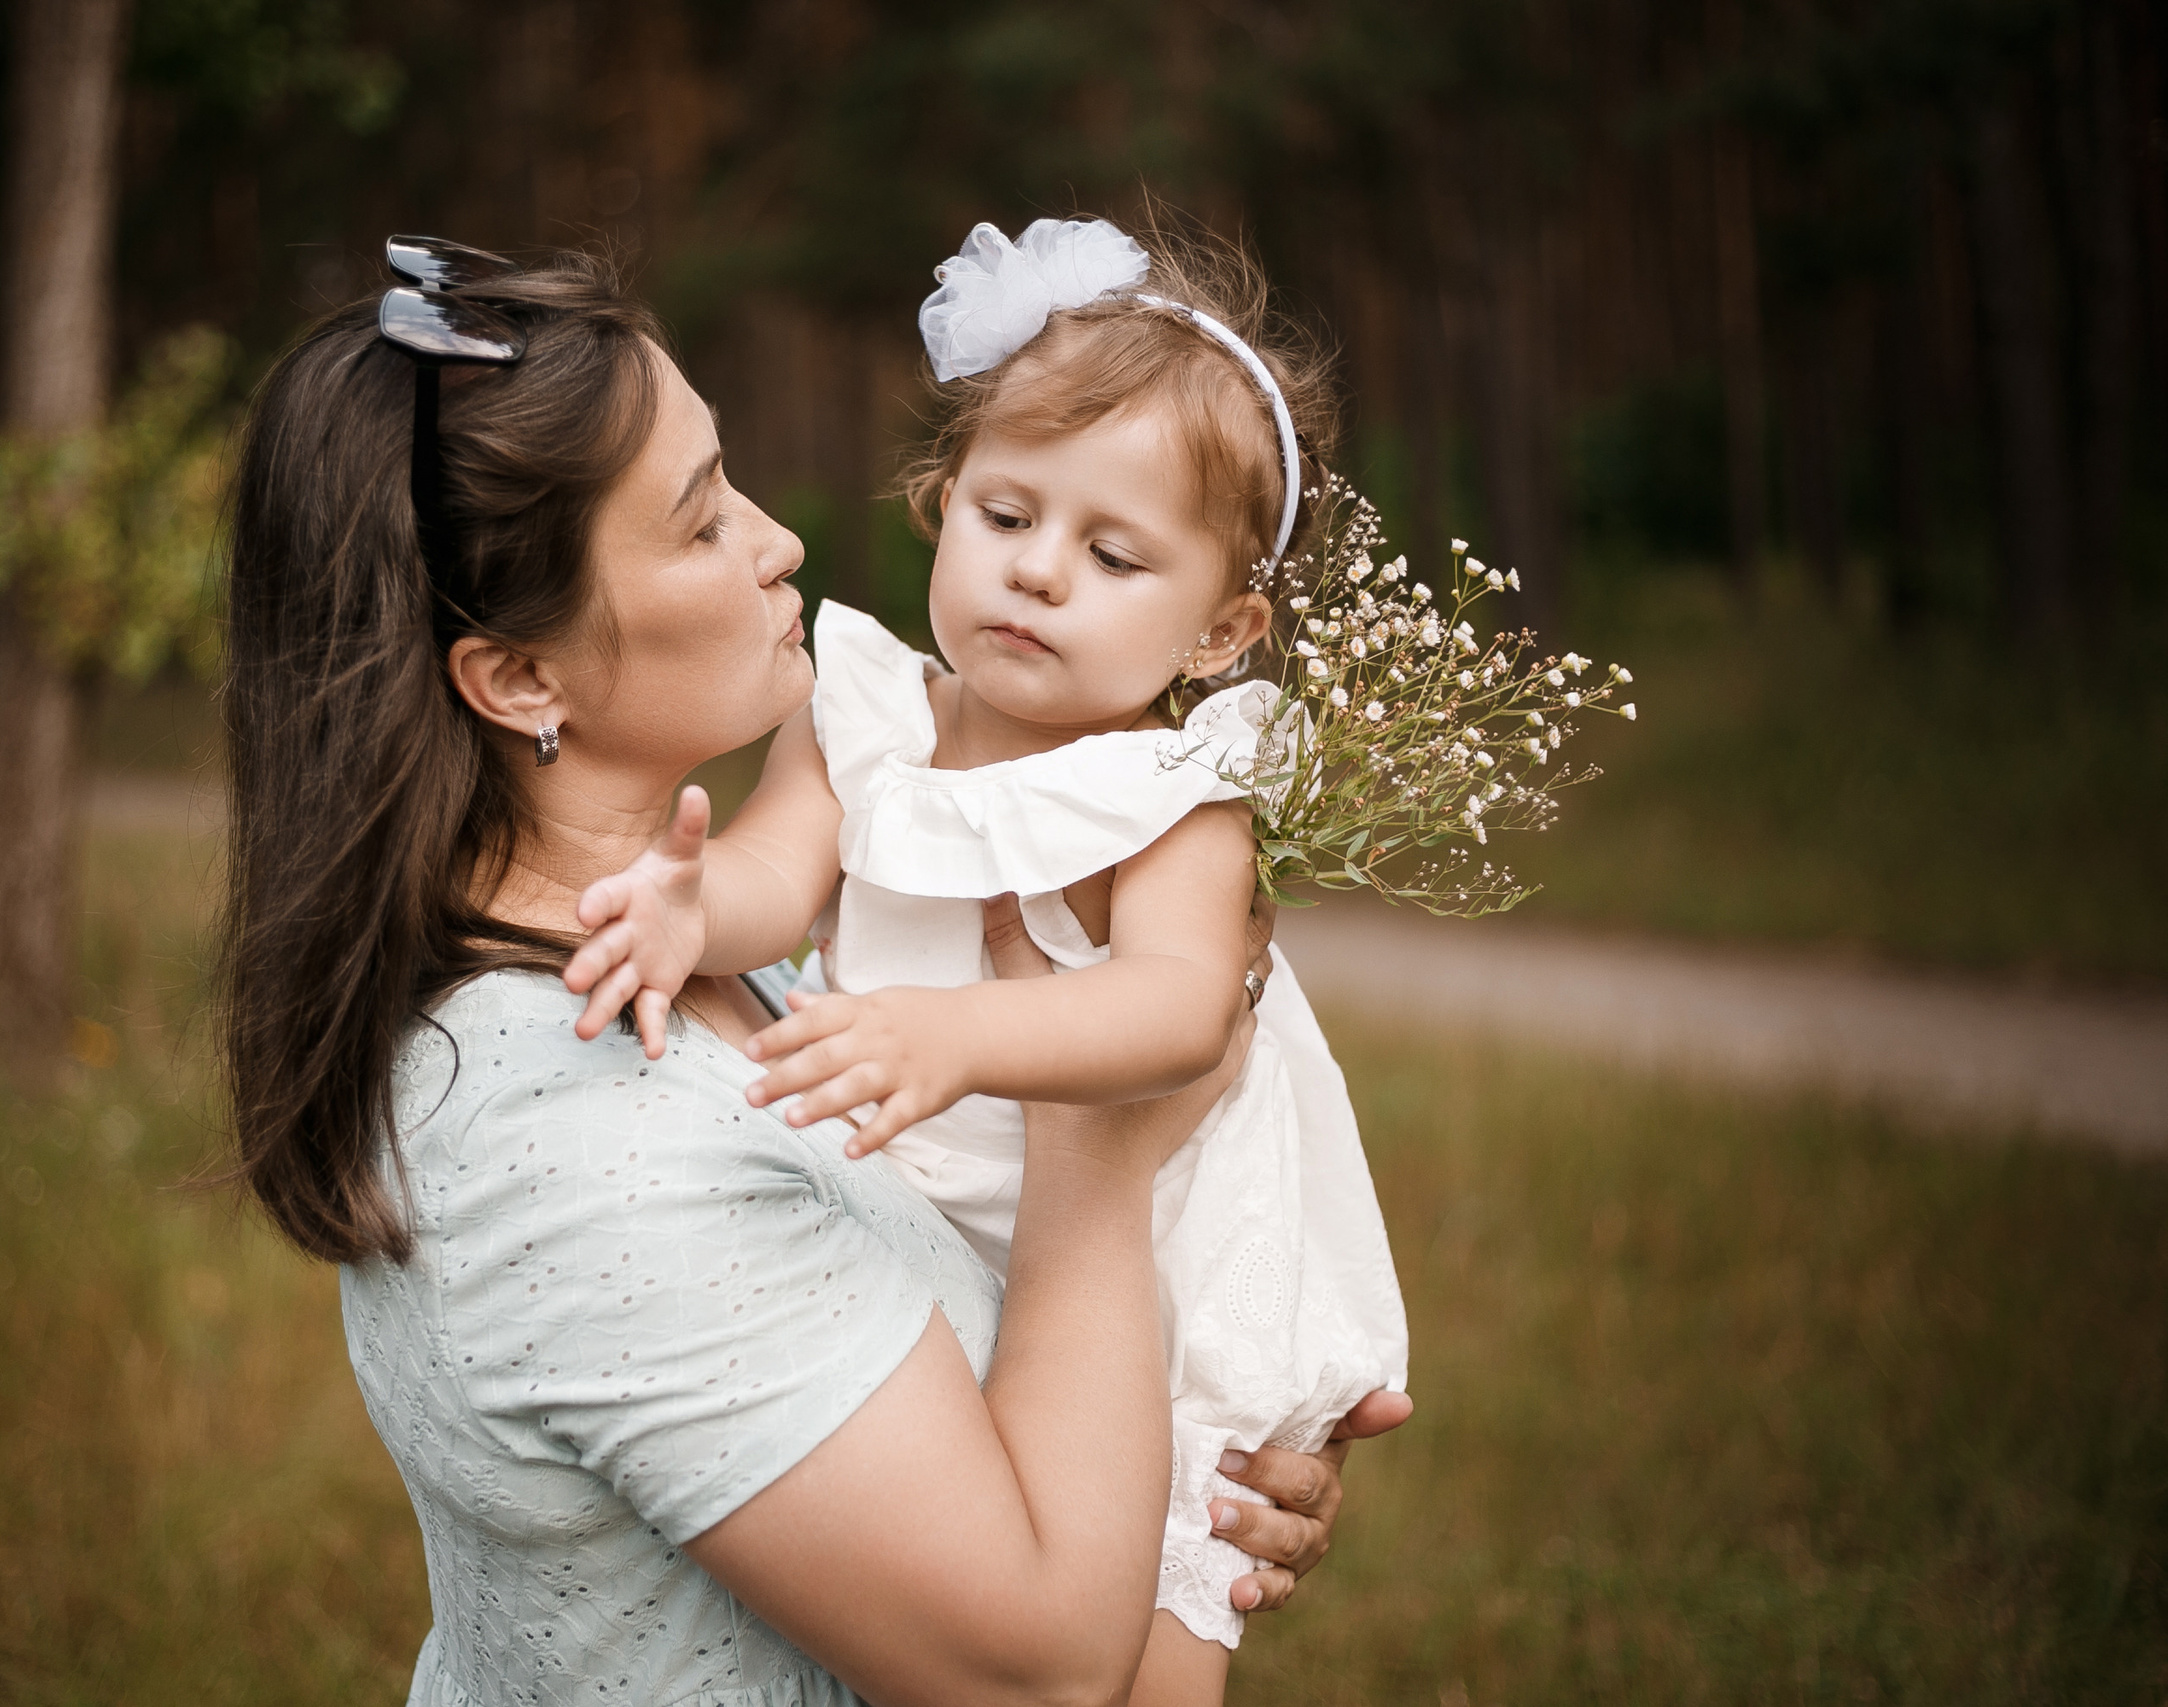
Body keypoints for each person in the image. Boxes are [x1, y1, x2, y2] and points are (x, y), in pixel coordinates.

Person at [216, 239, 1405, 1707]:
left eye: (736, 483)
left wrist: (1186, 1474)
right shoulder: (584, 1143)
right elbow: (1040, 1670)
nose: (780, 540)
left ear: (1223, 626)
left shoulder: (1145, 803)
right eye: (704, 520)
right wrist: (1095, 1131)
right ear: (521, 676)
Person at [564, 216, 1410, 1705]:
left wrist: (954, 1037)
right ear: (941, 504)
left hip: (1161, 1232)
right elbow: (778, 869)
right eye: (1008, 517)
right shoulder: (877, 713)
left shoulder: (1174, 794)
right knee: (966, 1549)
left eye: (1113, 554)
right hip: (940, 1207)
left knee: (1158, 1605)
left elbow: (1178, 1005)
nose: (1040, 576)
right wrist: (695, 916)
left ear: (1222, 630)